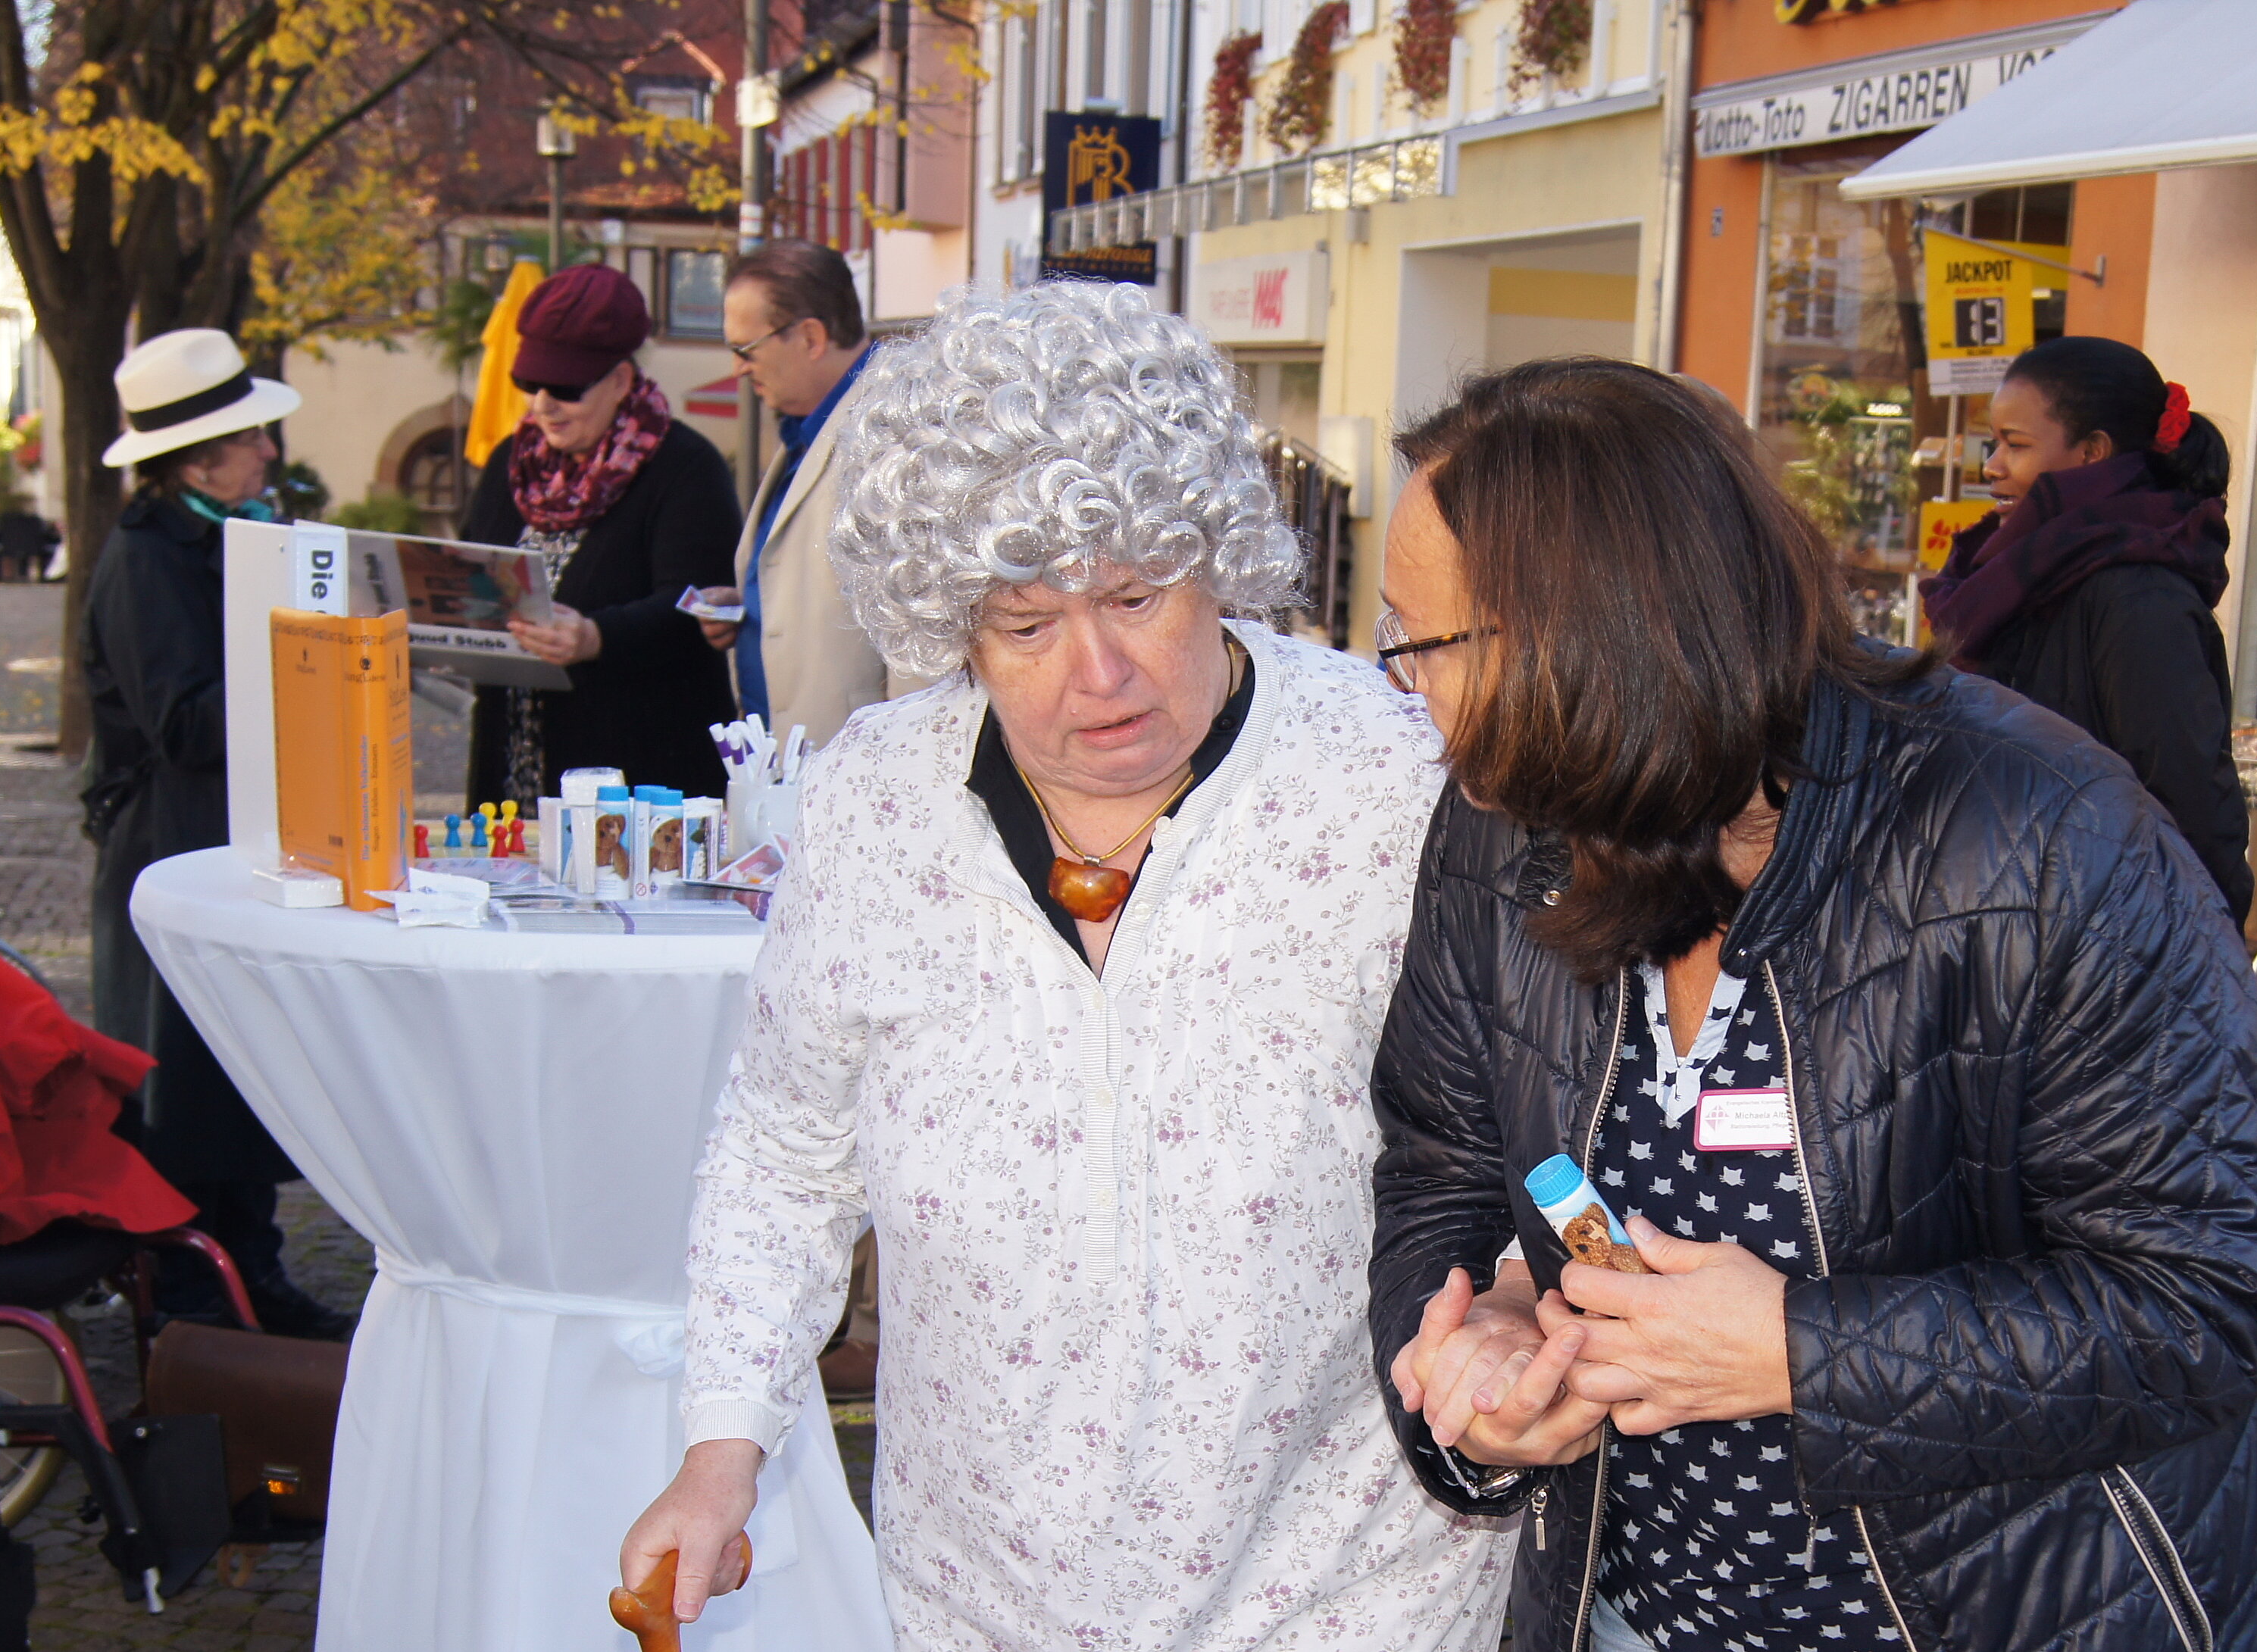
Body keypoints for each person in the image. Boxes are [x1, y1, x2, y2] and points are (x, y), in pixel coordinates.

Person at [1368, 359, 2257, 1652]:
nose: (1409, 696)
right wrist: (1472, 1352)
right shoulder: (1499, 832)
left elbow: (2208, 1297)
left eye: (1425, 647)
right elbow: (1442, 1159)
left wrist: (1800, 1352)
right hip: (1643, 1615)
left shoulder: (2038, 837)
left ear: (1596, 637)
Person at [623, 283, 1513, 1646]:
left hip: (1349, 1584)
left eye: (1138, 595)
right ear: (952, 623)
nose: (1098, 671)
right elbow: (787, 1149)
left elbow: (1531, 1118)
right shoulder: (878, 799)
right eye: (1027, 624)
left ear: (1214, 556)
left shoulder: (1396, 773)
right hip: (989, 1588)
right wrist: (722, 1443)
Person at [82, 327, 354, 1339]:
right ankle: (197, 1298)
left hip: (217, 837)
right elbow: (186, 721)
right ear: (198, 460)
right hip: (171, 848)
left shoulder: (226, 537)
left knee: (233, 1073)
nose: (270, 455)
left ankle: (248, 1275)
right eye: (250, 440)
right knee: (185, 1085)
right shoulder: (150, 561)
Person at [1924, 336, 2253, 925]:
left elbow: (2191, 809)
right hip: (2007, 941)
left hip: (2098, 957)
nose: (1992, 466)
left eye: (2014, 444)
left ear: (2092, 453)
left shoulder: (2137, 598)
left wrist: (2192, 962)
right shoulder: (2005, 582)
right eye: (1992, 442)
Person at [459, 264, 740, 803]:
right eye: (530, 383)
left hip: (638, 774)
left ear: (620, 379)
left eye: (564, 387)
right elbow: (473, 569)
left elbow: (696, 608)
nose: (543, 403)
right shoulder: (509, 462)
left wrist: (597, 637)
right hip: (512, 761)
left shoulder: (684, 467)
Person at [689, 241, 893, 748]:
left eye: (745, 350)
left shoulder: (889, 431)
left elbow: (920, 639)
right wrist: (757, 603)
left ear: (810, 337)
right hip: (788, 765)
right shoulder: (806, 427)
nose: (738, 369)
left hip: (859, 776)